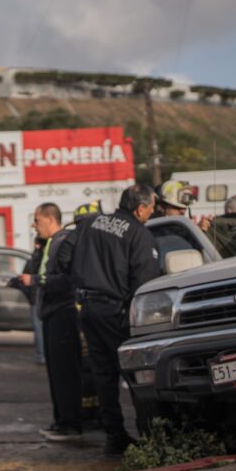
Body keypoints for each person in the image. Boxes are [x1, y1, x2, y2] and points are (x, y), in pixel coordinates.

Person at [71, 185, 161, 456]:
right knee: (137, 373)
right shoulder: (139, 234)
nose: (152, 212)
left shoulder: (90, 223)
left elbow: (68, 258)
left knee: (103, 376)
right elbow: (145, 285)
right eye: (151, 207)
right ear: (140, 208)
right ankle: (150, 436)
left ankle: (114, 436)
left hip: (86, 308)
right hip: (116, 312)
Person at [30, 203, 83, 441]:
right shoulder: (48, 244)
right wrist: (37, 251)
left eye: (37, 221)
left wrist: (36, 280)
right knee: (55, 372)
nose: (34, 225)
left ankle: (71, 423)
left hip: (63, 311)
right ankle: (61, 420)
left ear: (50, 219)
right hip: (50, 313)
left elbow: (66, 280)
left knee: (65, 373)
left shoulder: (64, 241)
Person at [20, 234, 47, 365]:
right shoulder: (48, 257)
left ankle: (41, 355)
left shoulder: (33, 259)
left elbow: (24, 279)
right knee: (44, 329)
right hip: (44, 297)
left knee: (39, 330)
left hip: (35, 298)